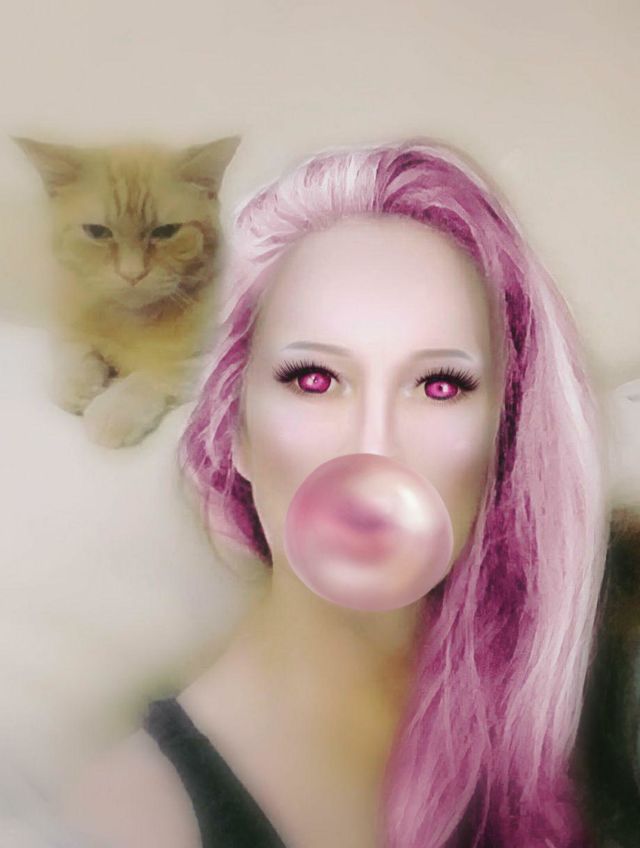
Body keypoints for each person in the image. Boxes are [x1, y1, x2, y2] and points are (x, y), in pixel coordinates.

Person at [61, 139, 610, 848]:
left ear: (507, 433)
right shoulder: (128, 817)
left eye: (440, 385)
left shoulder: (595, 732)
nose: (373, 447)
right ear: (235, 428)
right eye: (315, 379)